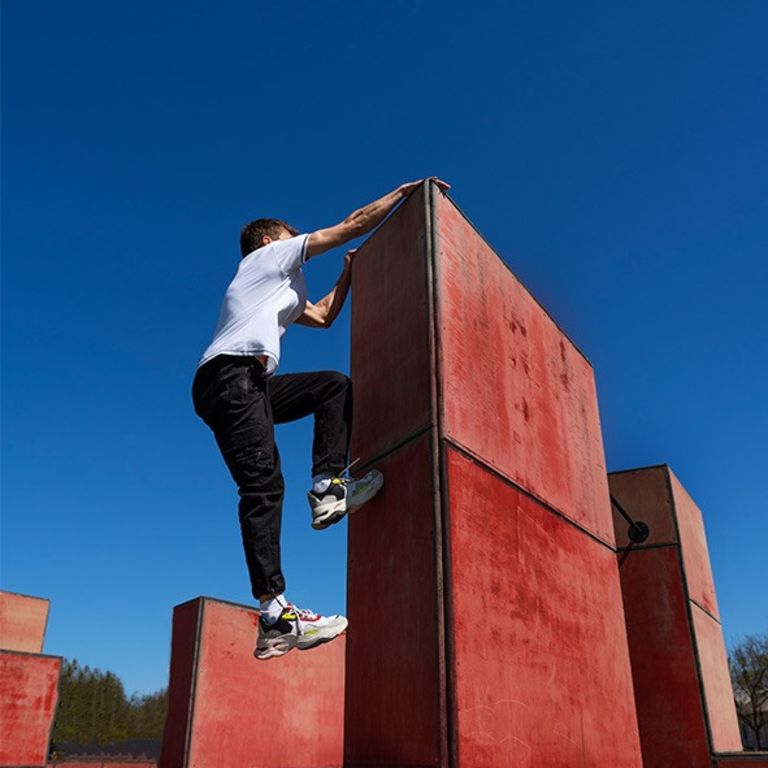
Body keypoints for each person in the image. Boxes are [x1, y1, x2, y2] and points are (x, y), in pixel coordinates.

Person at [192, 178, 450, 659]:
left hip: (249, 385)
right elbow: (350, 225)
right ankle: (274, 615)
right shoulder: (266, 259)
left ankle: (329, 487)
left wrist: (348, 275)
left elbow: (325, 315)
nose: (299, 239)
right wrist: (400, 195)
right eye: (292, 234)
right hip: (232, 377)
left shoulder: (278, 291)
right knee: (263, 487)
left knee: (332, 385)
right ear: (272, 240)